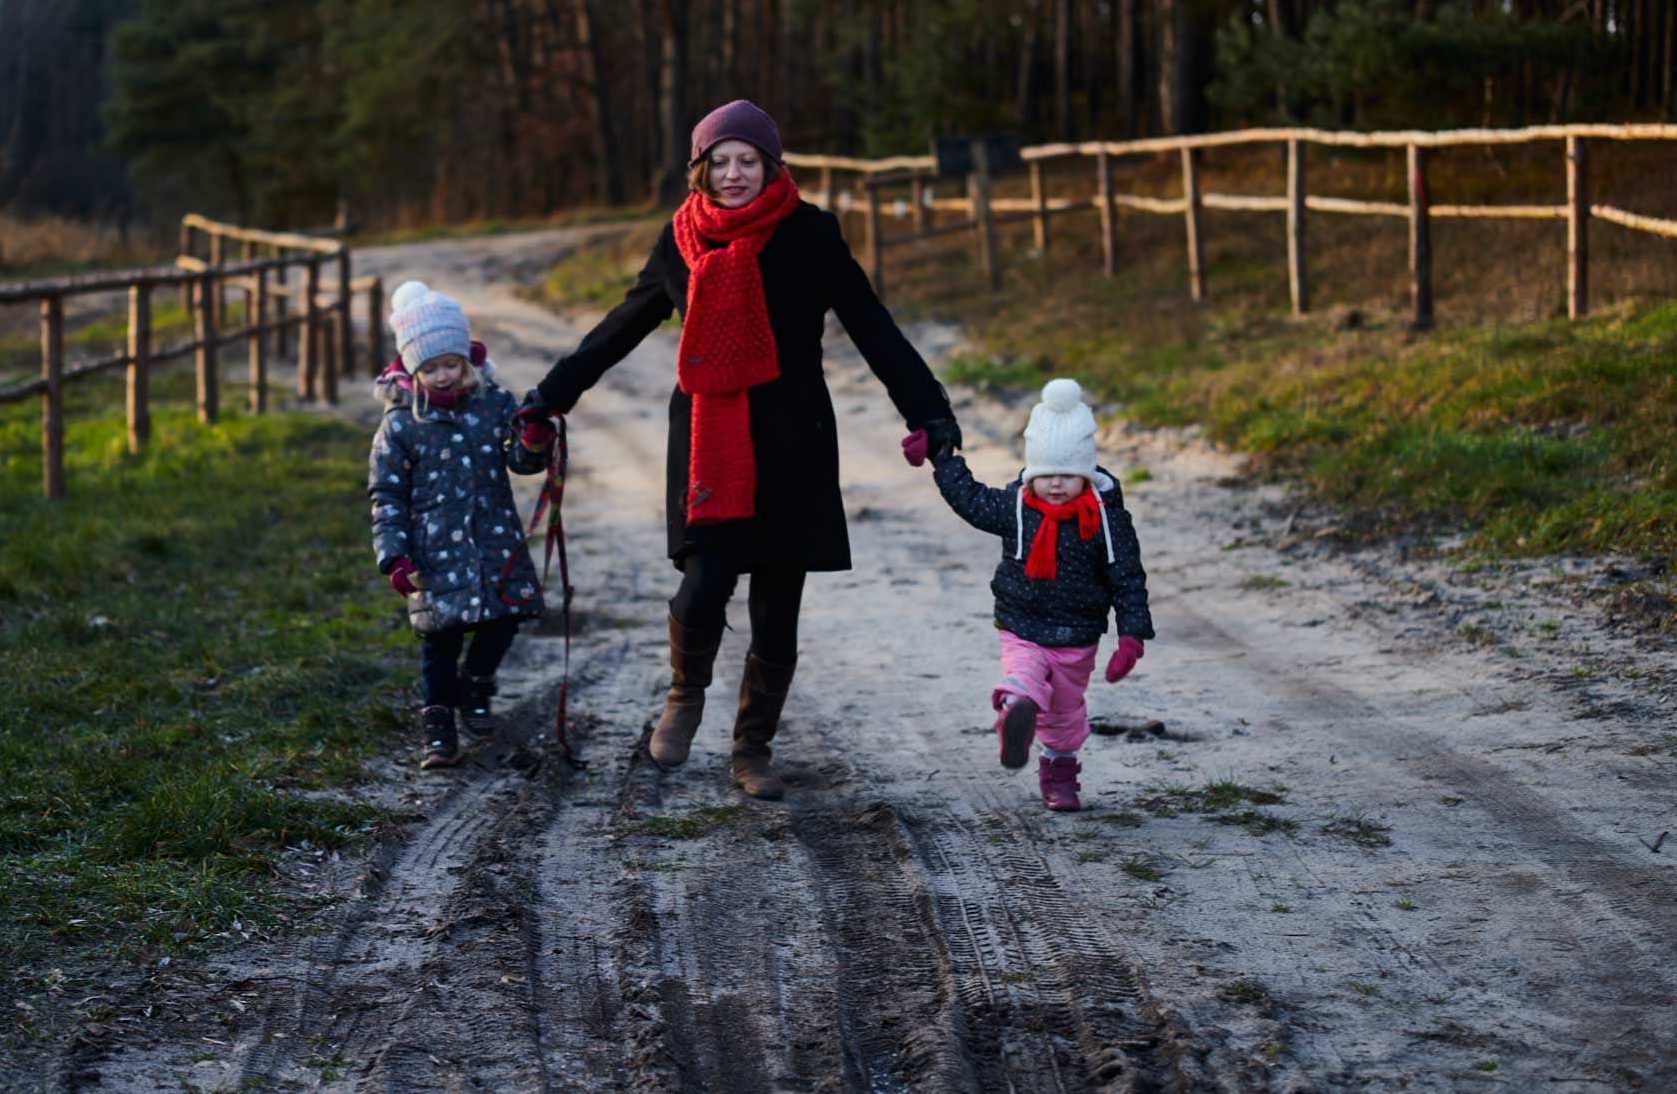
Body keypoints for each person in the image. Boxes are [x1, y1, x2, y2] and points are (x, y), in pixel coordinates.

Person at [520, 99, 959, 799]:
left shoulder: (811, 234)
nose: (733, 174)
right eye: (719, 161)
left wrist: (930, 411)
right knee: (702, 583)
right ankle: (684, 694)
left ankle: (752, 748)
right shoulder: (680, 240)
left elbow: (874, 327)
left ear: (771, 164)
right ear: (700, 168)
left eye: (746, 160)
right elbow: (622, 326)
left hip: (793, 443)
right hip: (707, 443)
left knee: (777, 604)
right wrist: (549, 395)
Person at [915, 378, 1154, 811]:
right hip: (1021, 625)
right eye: (1046, 475)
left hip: (1076, 635)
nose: (1056, 485)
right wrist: (941, 455)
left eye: (1068, 475)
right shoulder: (1017, 507)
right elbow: (970, 499)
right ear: (1031, 473)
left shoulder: (1106, 520)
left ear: (1086, 473)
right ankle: (1016, 712)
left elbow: (1127, 578)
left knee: (1064, 714)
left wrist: (1132, 636)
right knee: (1023, 679)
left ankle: (1059, 778)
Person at [369, 280, 552, 769]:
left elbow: (523, 462)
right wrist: (395, 555)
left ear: (467, 358)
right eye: (430, 368)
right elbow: (386, 494)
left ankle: (476, 686)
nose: (443, 376)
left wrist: (533, 437)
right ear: (412, 368)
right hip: (432, 553)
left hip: (495, 542)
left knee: (506, 616)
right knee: (439, 639)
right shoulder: (401, 424)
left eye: (451, 363)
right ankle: (438, 729)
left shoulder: (494, 404)